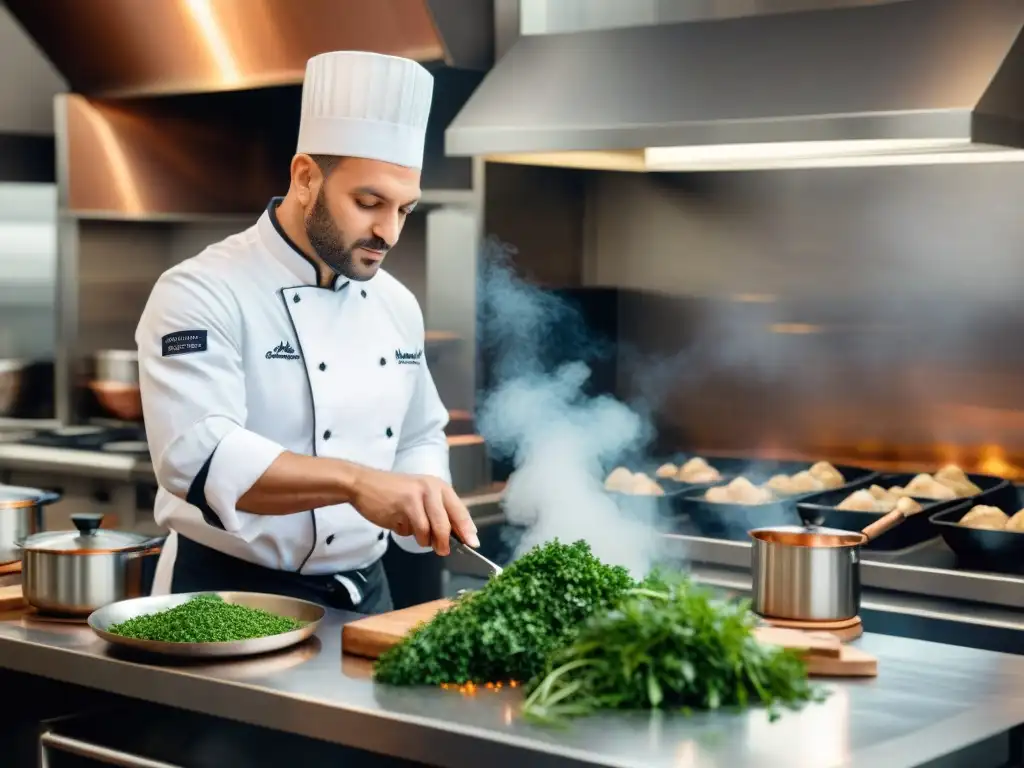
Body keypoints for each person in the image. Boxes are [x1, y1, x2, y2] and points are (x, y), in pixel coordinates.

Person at [136, 50, 478, 614]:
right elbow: (199, 454)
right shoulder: (201, 290)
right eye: (368, 202)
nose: (388, 232)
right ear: (305, 178)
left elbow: (419, 434)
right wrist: (356, 483)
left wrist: (421, 493)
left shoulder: (396, 304)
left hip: (366, 595)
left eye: (405, 210)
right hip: (226, 596)